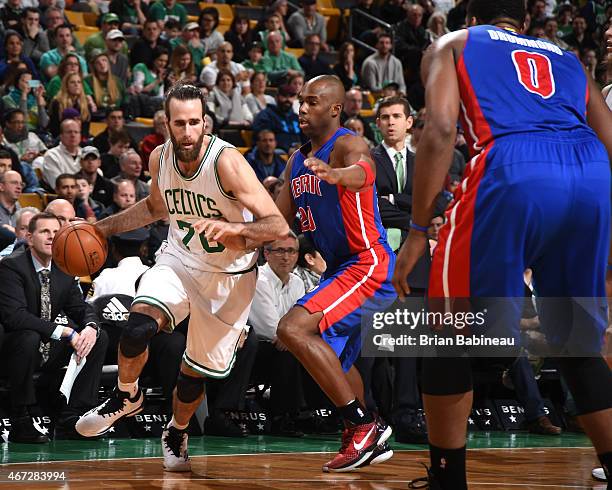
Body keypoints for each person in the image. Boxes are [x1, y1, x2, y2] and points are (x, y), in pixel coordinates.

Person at [392, 1, 612, 488]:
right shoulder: (566, 56)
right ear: (526, 23)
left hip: (511, 165)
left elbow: (442, 130)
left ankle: (448, 479)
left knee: (445, 332)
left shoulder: (454, 44)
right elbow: (610, 137)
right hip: (592, 172)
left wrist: (416, 230)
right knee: (575, 340)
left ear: (472, 18)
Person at [75, 82, 289, 472]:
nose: (188, 131)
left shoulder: (227, 162)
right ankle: (127, 396)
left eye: (195, 122)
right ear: (166, 124)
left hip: (228, 279)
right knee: (137, 327)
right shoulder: (159, 158)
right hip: (178, 260)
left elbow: (276, 225)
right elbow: (156, 207)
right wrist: (101, 228)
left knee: (193, 376)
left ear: (206, 122)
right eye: (179, 123)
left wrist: (236, 232)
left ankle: (176, 429)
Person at [274, 75, 397, 472]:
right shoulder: (296, 160)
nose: (302, 108)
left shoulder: (347, 144)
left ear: (334, 108)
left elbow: (363, 171)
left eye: (311, 101)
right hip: (338, 270)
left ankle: (364, 427)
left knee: (292, 329)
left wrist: (338, 175)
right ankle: (365, 430)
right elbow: (277, 222)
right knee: (334, 365)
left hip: (367, 263)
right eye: (300, 101)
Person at [0, 212, 108, 442]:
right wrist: (63, 332)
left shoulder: (64, 270)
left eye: (55, 232)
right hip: (12, 348)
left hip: (46, 346)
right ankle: (21, 419)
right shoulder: (11, 267)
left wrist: (90, 327)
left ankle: (74, 417)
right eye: (44, 232)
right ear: (29, 238)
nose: (51, 237)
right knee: (27, 336)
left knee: (98, 337)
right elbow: (14, 317)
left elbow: (80, 308)